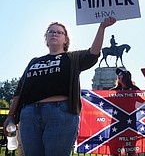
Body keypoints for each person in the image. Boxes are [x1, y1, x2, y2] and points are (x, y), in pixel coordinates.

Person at [3, 17, 116, 156]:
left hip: (60, 113)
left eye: (59, 32)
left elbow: (93, 53)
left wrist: (102, 27)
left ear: (66, 40)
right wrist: (10, 115)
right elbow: (20, 89)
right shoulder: (34, 61)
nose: (54, 34)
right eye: (51, 31)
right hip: (29, 114)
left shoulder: (72, 58)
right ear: (46, 38)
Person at [110, 67, 140, 156]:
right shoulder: (113, 91)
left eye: (121, 74)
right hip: (116, 123)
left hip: (130, 123)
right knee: (114, 150)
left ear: (126, 77)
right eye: (118, 75)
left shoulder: (135, 89)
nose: (118, 76)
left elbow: (144, 100)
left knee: (131, 150)